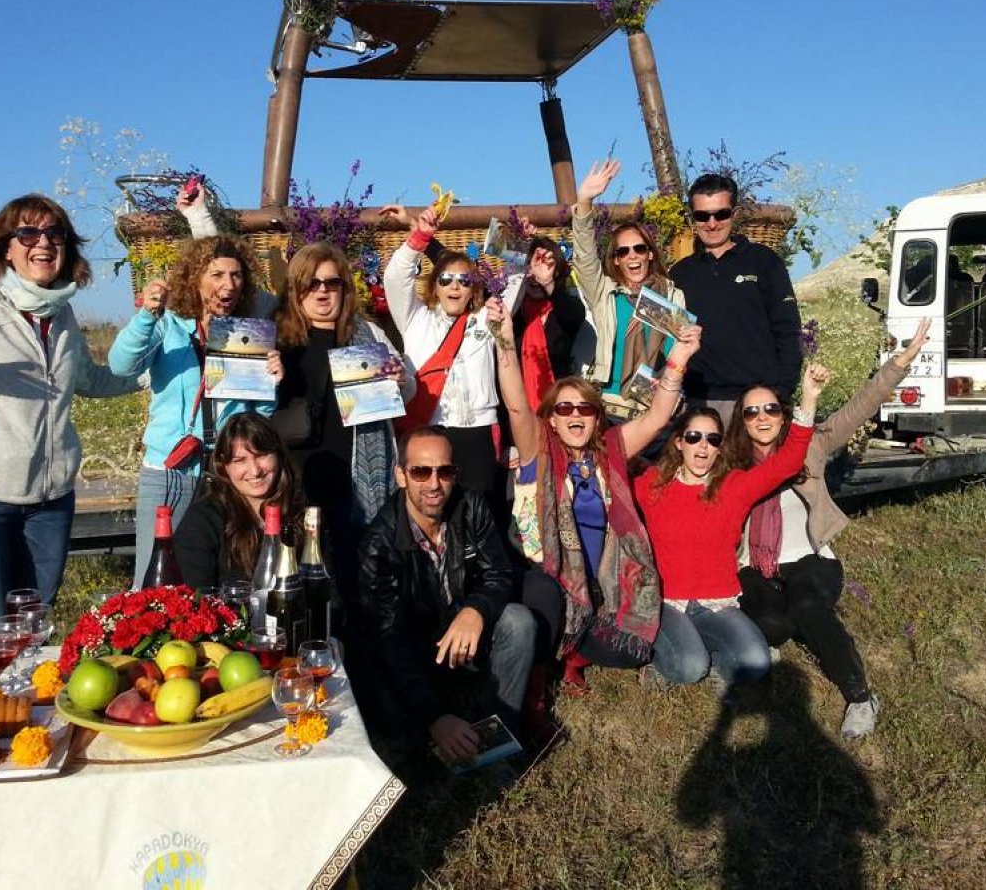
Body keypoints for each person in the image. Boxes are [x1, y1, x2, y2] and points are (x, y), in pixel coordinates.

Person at [723, 318, 932, 737]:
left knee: (806, 607)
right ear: (741, 421)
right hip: (755, 566)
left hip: (809, 558)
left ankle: (860, 696)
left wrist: (899, 363)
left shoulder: (812, 443)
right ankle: (767, 639)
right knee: (773, 624)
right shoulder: (731, 465)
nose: (762, 417)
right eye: (752, 411)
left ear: (784, 413)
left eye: (771, 408)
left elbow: (861, 406)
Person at [488, 296, 702, 697]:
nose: (574, 415)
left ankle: (571, 652)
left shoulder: (610, 451)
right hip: (544, 576)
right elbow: (517, 408)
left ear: (596, 417)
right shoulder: (538, 449)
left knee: (631, 650)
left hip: (597, 581)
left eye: (585, 408)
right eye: (564, 408)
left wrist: (680, 357)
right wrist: (504, 341)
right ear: (551, 417)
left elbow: (657, 417)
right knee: (546, 596)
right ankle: (536, 681)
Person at [633, 364, 830, 700]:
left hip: (717, 603)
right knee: (689, 667)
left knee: (756, 662)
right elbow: (609, 464)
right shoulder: (652, 485)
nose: (703, 447)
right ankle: (666, 658)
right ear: (678, 442)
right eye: (693, 437)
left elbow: (788, 462)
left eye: (713, 439)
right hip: (667, 601)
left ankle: (695, 644)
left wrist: (808, 401)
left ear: (720, 447)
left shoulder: (733, 487)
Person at [0, 195, 143, 616]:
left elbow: (90, 380)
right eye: (27, 232)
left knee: (33, 620)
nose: (43, 241)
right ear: (7, 247)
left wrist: (151, 374)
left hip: (53, 499)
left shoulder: (63, 316)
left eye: (54, 233)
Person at [109, 233, 283, 584]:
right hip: (172, 470)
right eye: (217, 275)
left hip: (225, 472)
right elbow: (120, 365)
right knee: (155, 574)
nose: (229, 285)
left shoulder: (244, 334)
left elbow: (256, 419)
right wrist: (146, 317)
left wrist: (270, 385)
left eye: (236, 276)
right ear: (195, 279)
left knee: (216, 571)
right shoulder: (168, 325)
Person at [358, 425, 536, 763]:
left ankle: (500, 734)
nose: (434, 483)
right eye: (421, 471)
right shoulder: (378, 545)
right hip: (418, 649)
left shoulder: (471, 507)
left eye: (445, 471)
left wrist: (476, 610)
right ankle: (437, 730)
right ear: (401, 476)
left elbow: (498, 573)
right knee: (397, 732)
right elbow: (387, 637)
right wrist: (433, 716)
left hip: (465, 634)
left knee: (519, 622)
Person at [272, 241, 414, 600]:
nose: (322, 291)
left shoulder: (368, 335)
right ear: (297, 288)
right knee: (301, 586)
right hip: (298, 483)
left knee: (356, 586)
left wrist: (400, 382)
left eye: (331, 283)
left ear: (344, 289)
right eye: (311, 283)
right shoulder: (277, 339)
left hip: (356, 488)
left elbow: (406, 392)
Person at [380, 202, 504, 501]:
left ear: (475, 289)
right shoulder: (415, 318)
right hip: (429, 428)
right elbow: (396, 279)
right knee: (430, 511)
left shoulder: (486, 318)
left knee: (481, 515)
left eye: (465, 281)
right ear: (434, 286)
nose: (454, 286)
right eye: (445, 279)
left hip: (478, 432)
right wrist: (418, 236)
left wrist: (523, 243)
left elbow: (514, 281)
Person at [669, 173, 803, 425]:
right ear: (692, 218)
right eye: (702, 216)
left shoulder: (764, 262)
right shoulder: (680, 274)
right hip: (698, 405)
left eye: (720, 214)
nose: (712, 223)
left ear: (735, 213)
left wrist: (781, 394)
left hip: (757, 404)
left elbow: (788, 331)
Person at [571, 158, 687, 421]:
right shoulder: (606, 293)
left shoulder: (669, 295)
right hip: (609, 406)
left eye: (639, 248)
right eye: (624, 251)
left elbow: (675, 353)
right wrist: (584, 201)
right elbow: (584, 257)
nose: (632, 255)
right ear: (616, 259)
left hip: (653, 407)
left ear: (649, 254)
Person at [426, 228, 586, 412]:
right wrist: (520, 240)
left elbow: (574, 315)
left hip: (555, 410)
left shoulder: (562, 311)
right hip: (509, 413)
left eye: (542, 266)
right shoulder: (506, 306)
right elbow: (457, 268)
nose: (534, 275)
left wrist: (546, 281)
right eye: (529, 266)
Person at [174, 413, 303, 590]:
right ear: (223, 466)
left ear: (278, 455)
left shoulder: (300, 512)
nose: (255, 470)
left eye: (262, 455)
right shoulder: (203, 520)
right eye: (240, 460)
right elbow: (195, 596)